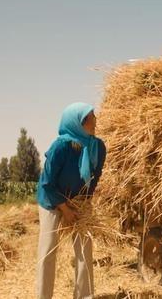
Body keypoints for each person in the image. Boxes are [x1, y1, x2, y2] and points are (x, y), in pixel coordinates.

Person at [36, 102, 106, 299]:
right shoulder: (61, 147)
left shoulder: (98, 147)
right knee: (48, 251)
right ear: (77, 123)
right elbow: (47, 183)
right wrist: (65, 209)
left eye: (93, 117)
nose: (95, 121)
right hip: (52, 200)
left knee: (85, 249)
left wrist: (84, 203)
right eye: (90, 118)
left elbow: (95, 177)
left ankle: (84, 296)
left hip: (79, 200)